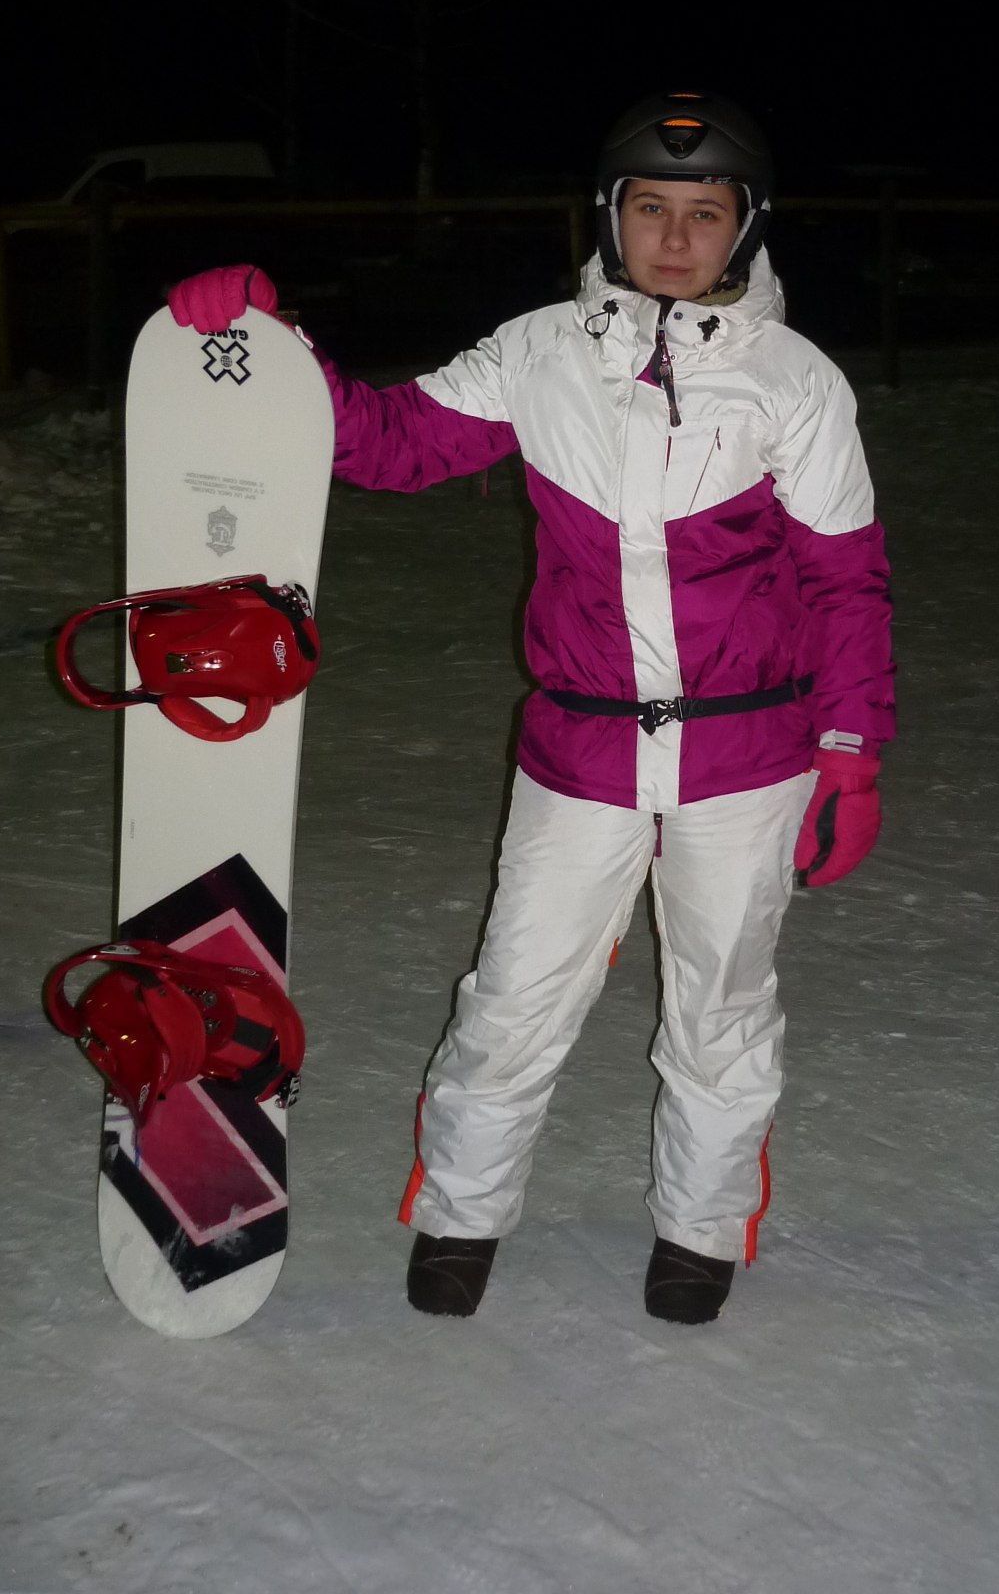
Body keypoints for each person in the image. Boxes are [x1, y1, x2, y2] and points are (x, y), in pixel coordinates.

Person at [168, 90, 894, 1324]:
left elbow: (846, 579)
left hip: (746, 755)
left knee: (720, 1009)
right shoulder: (539, 352)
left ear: (748, 224)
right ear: (609, 215)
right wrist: (273, 342)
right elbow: (391, 442)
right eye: (650, 207)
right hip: (581, 748)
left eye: (705, 212)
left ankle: (700, 1231)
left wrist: (851, 747)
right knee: (513, 994)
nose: (675, 236)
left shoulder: (794, 380)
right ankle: (461, 1214)